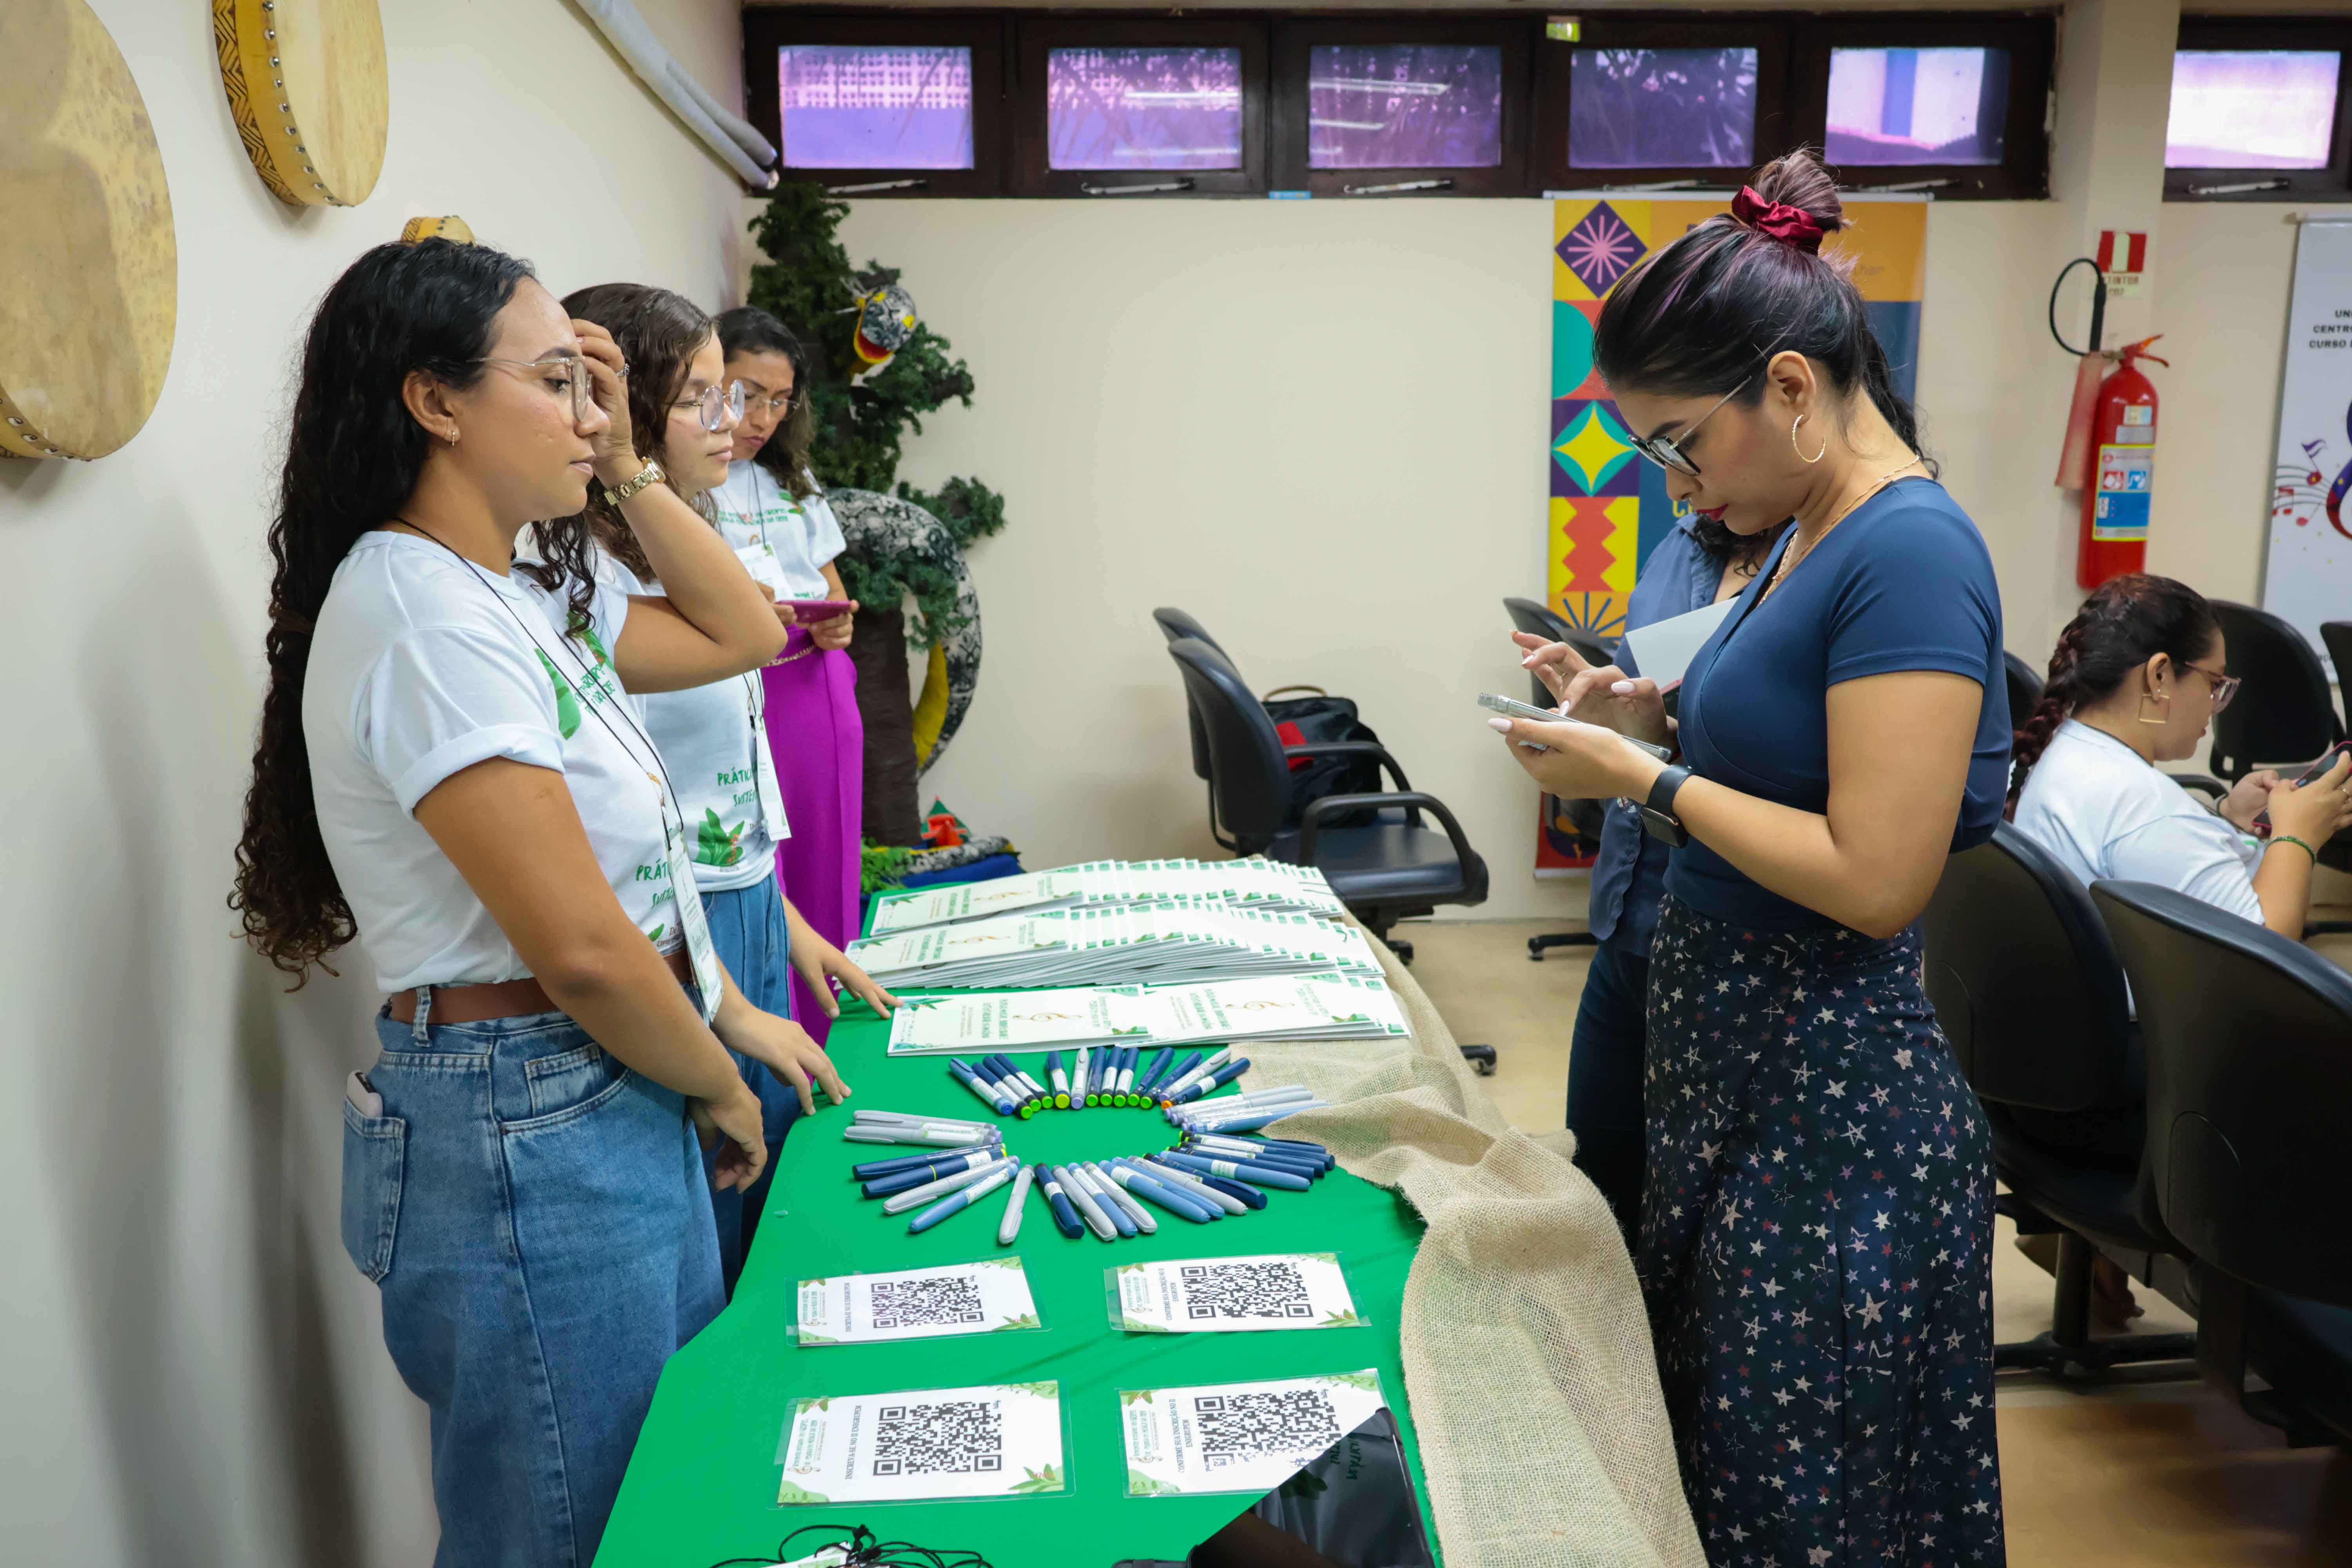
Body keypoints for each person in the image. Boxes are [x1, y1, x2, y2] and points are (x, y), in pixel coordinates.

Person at [229, 240, 846, 1567]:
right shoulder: (422, 615)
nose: (592, 415)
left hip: (587, 1088)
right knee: (574, 1530)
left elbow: (742, 630)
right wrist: (720, 1078)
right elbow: (577, 947)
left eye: (600, 387)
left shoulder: (510, 591)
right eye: (560, 382)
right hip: (534, 1108)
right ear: (435, 402)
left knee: (655, 1503)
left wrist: (626, 466)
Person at [1496, 151, 2009, 1564]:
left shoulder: (1905, 548)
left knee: (1800, 1510)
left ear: (1790, 386)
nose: (1674, 479)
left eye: (1679, 440)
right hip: (1738, 1076)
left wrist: (1642, 776)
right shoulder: (1794, 527)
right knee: (1717, 1478)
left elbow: (1876, 870)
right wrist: (1644, 710)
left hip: (1828, 1116)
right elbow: (1784, 740)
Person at [530, 283, 897, 1291]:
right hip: (676, 942)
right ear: (635, 409)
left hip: (735, 912)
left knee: (766, 1223)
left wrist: (783, 920)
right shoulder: (585, 575)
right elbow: (643, 819)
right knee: (724, 1228)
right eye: (701, 397)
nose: (730, 422)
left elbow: (719, 785)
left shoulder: (684, 536)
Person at [1511, 514, 1786, 1240]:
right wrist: (1602, 711)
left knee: (1705, 1220)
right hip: (1632, 909)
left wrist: (1644, 758)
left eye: (1679, 443)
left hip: (1744, 943)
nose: (1675, 483)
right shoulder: (1683, 543)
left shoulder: (1829, 561)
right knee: (1599, 1180)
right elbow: (1655, 719)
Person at [2010, 573, 2352, 942]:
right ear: (2159, 675)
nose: (2216, 705)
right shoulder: (2147, 808)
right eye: (2214, 683)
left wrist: (2227, 818)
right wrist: (2298, 837)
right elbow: (2266, 952)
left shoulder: (2057, 746)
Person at [708, 306, 864, 1044]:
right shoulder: (686, 475)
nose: (762, 417)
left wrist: (836, 620)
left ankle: (835, 1029)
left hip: (816, 685)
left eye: (780, 399)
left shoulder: (791, 477)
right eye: (746, 393)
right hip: (742, 686)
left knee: (826, 861)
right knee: (761, 865)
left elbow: (833, 590)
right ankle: (774, 1039)